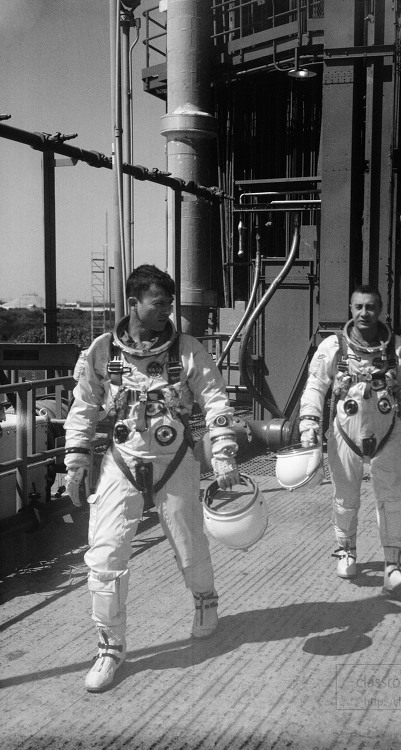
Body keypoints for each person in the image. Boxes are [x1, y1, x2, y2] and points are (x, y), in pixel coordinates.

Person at [64, 264, 240, 693]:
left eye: (169, 304)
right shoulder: (103, 352)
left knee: (189, 543)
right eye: (157, 304)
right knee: (104, 557)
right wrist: (74, 464)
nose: (165, 312)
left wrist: (223, 453)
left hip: (174, 460)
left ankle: (205, 600)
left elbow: (216, 400)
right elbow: (84, 406)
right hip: (122, 462)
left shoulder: (187, 350)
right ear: (133, 304)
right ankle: (110, 647)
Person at [298, 285, 401, 592]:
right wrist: (309, 424)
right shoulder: (334, 346)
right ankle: (346, 550)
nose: (364, 313)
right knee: (345, 499)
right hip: (345, 433)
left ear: (381, 310)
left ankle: (394, 564)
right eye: (358, 307)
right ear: (350, 310)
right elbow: (315, 387)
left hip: (386, 431)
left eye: (370, 307)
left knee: (393, 500)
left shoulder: (395, 347)